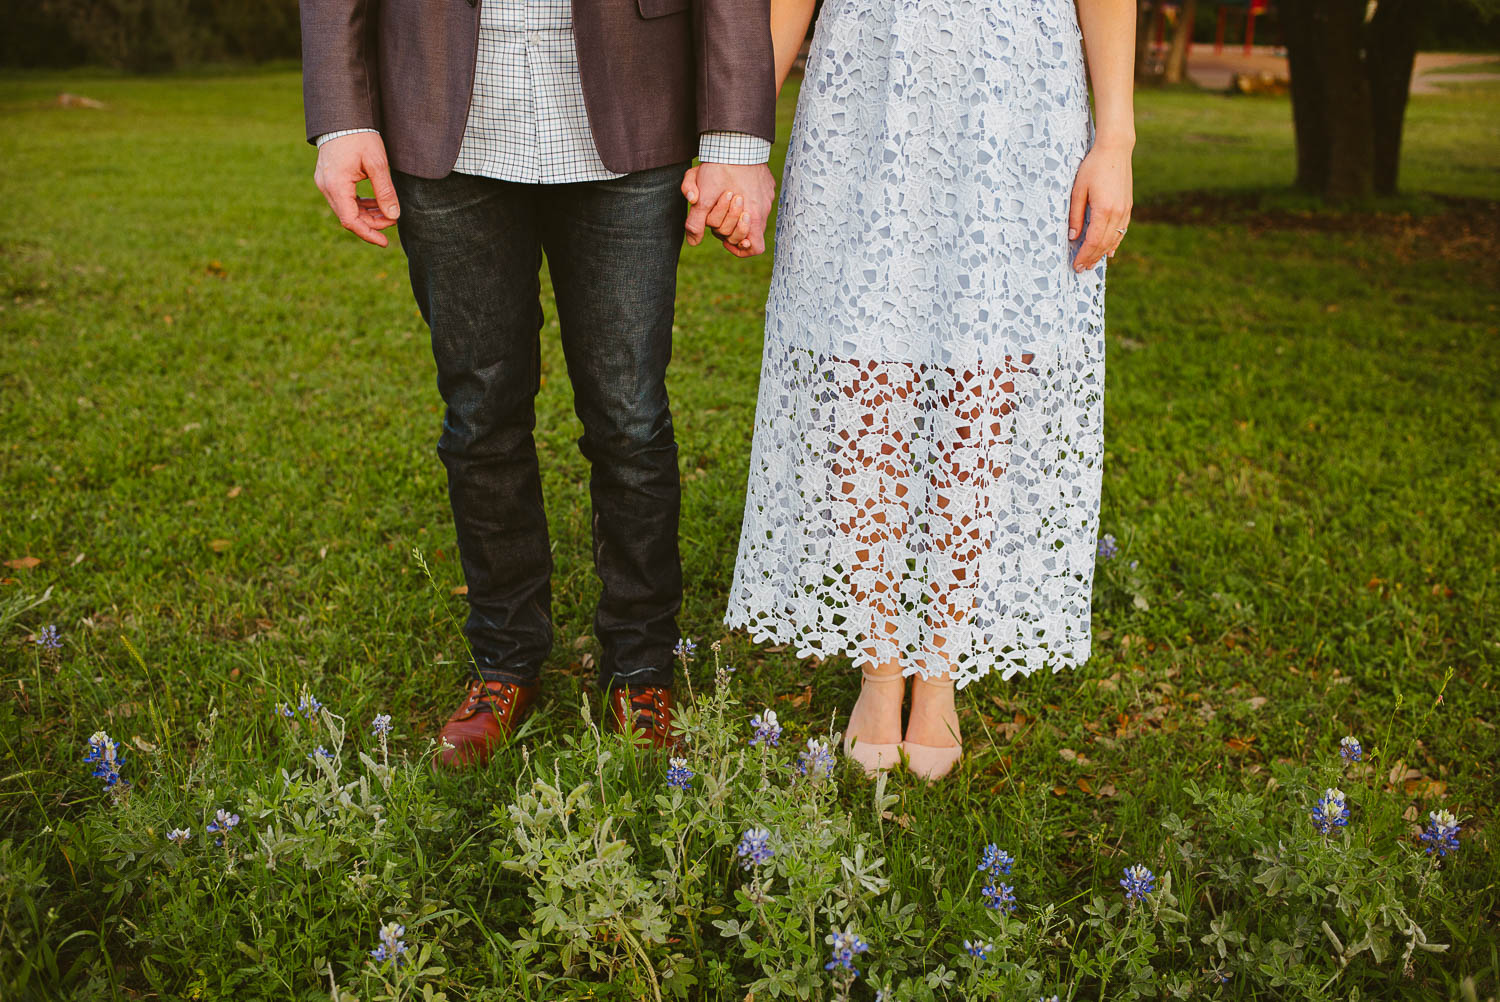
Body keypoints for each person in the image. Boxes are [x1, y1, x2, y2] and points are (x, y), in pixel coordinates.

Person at [300, 0, 776, 767]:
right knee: (480, 414)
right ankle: (505, 662)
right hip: (443, 115)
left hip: (634, 102)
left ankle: (641, 667)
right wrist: (342, 117)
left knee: (630, 419)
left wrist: (734, 141)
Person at [722, 0, 1135, 780]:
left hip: (1018, 94)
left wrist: (1115, 138)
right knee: (863, 376)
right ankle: (882, 663)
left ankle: (937, 665)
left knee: (982, 381)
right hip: (866, 87)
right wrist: (740, 140)